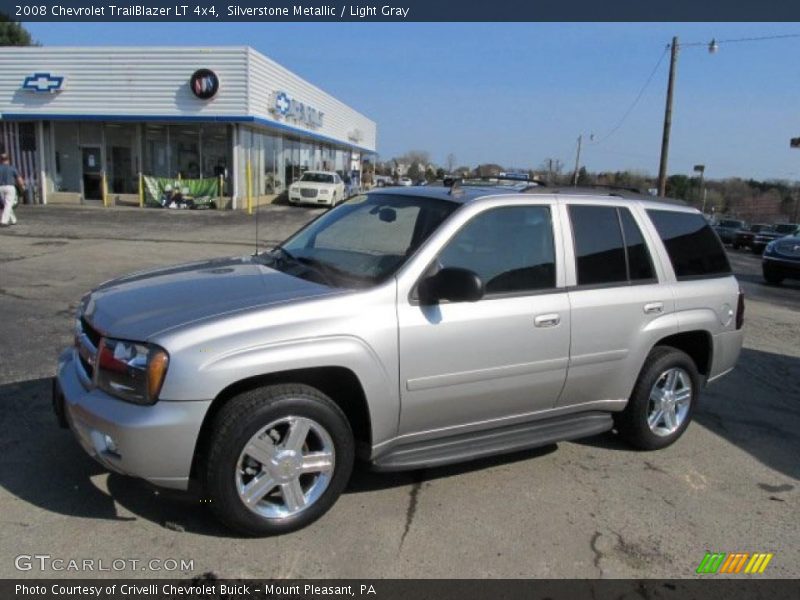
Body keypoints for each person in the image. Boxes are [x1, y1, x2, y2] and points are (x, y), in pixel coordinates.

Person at [0, 152, 24, 227]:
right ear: (8, 159)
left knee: (5, 204)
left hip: (0, 187)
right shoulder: (12, 168)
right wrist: (22, 187)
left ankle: (13, 220)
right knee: (8, 204)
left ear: (1, 160)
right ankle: (4, 221)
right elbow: (19, 180)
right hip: (10, 187)